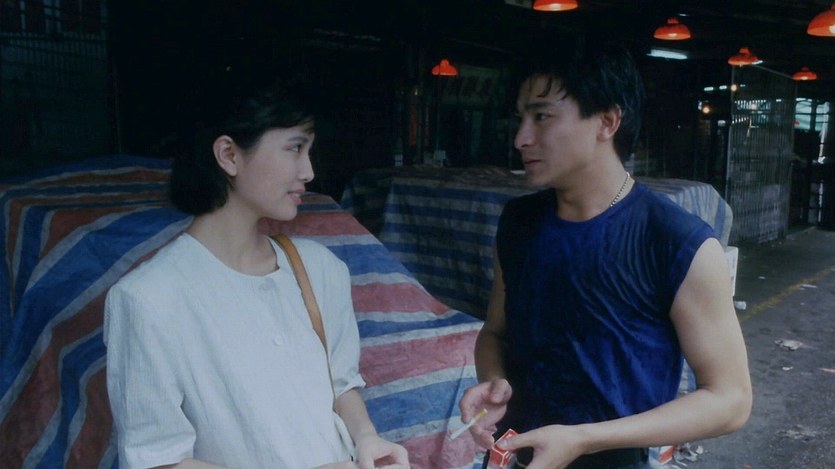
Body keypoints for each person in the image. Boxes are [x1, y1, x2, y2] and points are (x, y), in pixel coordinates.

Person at [458, 39, 752, 469]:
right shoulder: (519, 223)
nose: (521, 138)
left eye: (541, 116)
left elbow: (731, 400)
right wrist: (494, 383)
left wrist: (584, 439)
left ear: (607, 121)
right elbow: (495, 333)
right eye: (521, 118)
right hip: (515, 459)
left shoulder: (675, 241)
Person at [103, 81, 410, 469]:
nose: (309, 171)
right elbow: (158, 460)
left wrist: (367, 438)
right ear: (229, 155)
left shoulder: (319, 268)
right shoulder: (149, 299)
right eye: (295, 148)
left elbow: (340, 384)